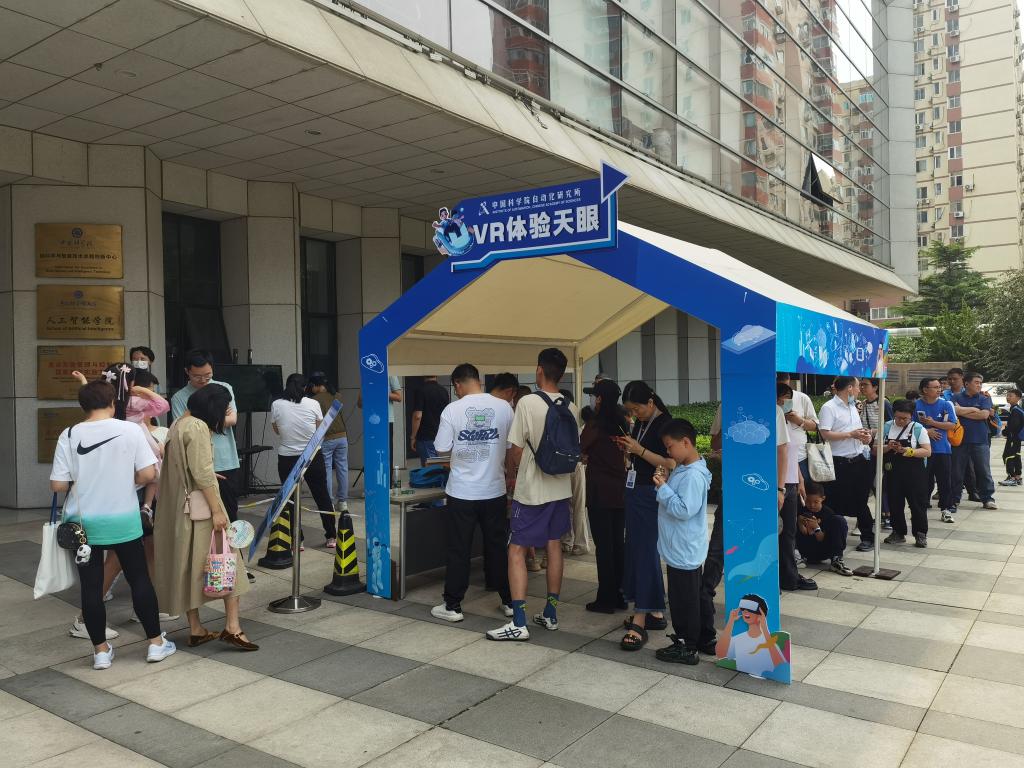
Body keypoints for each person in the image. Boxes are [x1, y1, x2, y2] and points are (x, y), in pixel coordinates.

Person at [50, 381, 175, 670]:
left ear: (83, 406)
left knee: (91, 587)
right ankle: (156, 644)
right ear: (112, 403)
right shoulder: (130, 430)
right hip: (123, 519)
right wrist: (124, 480)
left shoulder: (69, 434)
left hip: (83, 524)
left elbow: (58, 485)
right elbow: (148, 474)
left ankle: (101, 652)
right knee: (139, 579)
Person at [154, 383, 257, 651]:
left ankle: (196, 628)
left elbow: (183, 467)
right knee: (227, 561)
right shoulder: (199, 427)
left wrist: (206, 475)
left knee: (189, 567)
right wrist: (217, 510)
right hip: (202, 509)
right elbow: (201, 472)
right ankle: (232, 627)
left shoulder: (178, 424)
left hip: (179, 509)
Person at [486, 348, 580, 642]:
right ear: (561, 374)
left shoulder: (527, 402)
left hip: (532, 492)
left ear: (539, 370)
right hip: (560, 489)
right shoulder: (571, 406)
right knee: (554, 547)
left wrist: (514, 473)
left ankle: (519, 621)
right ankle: (550, 613)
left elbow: (515, 449)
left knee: (516, 550)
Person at [430, 363, 514, 622]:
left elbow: (441, 448)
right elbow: (511, 447)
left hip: (462, 493)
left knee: (459, 549)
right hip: (494, 490)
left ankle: (453, 605)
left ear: (457, 384)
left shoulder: (452, 410)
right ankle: (509, 601)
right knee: (498, 547)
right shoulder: (504, 407)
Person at [615, 380, 675, 651]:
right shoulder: (642, 423)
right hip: (636, 491)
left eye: (637, 408)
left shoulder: (666, 424)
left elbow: (671, 462)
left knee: (644, 552)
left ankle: (641, 616)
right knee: (640, 551)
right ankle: (654, 611)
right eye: (630, 410)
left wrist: (639, 450)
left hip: (650, 494)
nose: (634, 414)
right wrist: (630, 452)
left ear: (650, 402)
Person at [652, 418, 711, 665]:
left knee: (683, 601)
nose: (668, 452)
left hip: (683, 550)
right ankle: (704, 638)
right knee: (692, 597)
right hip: (682, 548)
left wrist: (663, 488)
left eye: (670, 446)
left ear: (685, 442)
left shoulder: (693, 475)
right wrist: (667, 482)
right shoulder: (687, 468)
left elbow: (684, 509)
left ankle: (688, 645)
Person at [170, 350, 241, 525]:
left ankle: (229, 544)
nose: (203, 380)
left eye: (208, 375)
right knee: (201, 516)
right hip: (197, 463)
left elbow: (232, 419)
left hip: (226, 461)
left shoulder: (223, 388)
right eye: (197, 376)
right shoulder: (179, 397)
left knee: (230, 514)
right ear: (187, 371)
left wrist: (198, 419)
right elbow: (183, 429)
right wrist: (217, 418)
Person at [271, 374, 338, 547]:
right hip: (312, 456)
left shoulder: (276, 404)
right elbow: (319, 430)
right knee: (322, 495)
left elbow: (277, 430)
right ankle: (331, 536)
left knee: (290, 499)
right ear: (305, 387)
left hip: (287, 457)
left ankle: (297, 540)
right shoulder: (313, 403)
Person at [580, 379, 628, 613]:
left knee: (604, 546)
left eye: (594, 395)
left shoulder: (595, 424)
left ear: (599, 398)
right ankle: (620, 595)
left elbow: (582, 446)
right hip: (620, 491)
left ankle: (606, 599)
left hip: (600, 491)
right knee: (618, 544)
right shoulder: (623, 422)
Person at [818, 377, 875, 552]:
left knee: (861, 500)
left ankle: (868, 536)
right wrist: (851, 435)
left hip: (858, 459)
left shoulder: (853, 406)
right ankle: (832, 536)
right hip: (838, 462)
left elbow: (856, 431)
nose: (859, 390)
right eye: (858, 387)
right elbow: (825, 434)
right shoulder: (829, 407)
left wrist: (865, 436)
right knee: (833, 501)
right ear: (849, 388)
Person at [778, 382, 817, 590]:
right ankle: (783, 576)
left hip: (792, 481)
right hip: (779, 485)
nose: (786, 404)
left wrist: (800, 479)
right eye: (783, 399)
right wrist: (780, 488)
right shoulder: (772, 419)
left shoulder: (789, 422)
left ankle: (789, 576)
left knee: (789, 532)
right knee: (778, 532)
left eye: (788, 399)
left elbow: (791, 456)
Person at [882, 399, 933, 547]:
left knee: (917, 504)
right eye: (898, 417)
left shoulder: (918, 428)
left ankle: (920, 533)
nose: (901, 421)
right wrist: (888, 447)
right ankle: (898, 532)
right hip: (892, 472)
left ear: (911, 416)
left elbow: (927, 451)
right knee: (895, 503)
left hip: (915, 474)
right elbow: (875, 449)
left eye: (905, 418)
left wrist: (909, 451)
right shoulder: (886, 427)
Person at [914, 378, 959, 522]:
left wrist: (933, 423)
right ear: (925, 390)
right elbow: (910, 424)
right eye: (935, 387)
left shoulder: (946, 404)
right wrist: (926, 431)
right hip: (922, 451)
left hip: (942, 450)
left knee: (944, 481)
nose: (939, 389)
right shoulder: (916, 405)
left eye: (939, 387)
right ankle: (921, 508)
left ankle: (946, 509)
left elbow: (952, 424)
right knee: (923, 481)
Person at [952, 373, 997, 510]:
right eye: (976, 382)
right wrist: (973, 410)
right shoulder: (956, 397)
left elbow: (984, 414)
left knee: (983, 470)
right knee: (956, 471)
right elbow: (954, 411)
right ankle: (954, 498)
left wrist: (962, 411)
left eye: (980, 383)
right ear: (966, 383)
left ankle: (987, 498)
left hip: (980, 440)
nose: (979, 385)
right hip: (959, 440)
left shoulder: (984, 398)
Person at [716, 593, 784, 679]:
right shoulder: (738, 640)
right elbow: (720, 654)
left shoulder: (769, 641)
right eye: (743, 609)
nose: (745, 612)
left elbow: (781, 667)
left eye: (750, 609)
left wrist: (765, 628)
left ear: (761, 614)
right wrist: (731, 621)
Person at [308, 372, 349, 513]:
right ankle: (343, 502)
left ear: (316, 385)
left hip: (327, 438)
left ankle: (329, 502)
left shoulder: (314, 400)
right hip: (342, 437)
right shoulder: (338, 396)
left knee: (327, 470)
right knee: (342, 468)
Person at [559, 389, 591, 556]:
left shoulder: (558, 413)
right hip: (576, 463)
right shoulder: (577, 414)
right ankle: (578, 543)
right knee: (577, 505)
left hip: (566, 464)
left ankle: (570, 541)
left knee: (568, 505)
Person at [796, 482, 853, 574]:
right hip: (804, 548)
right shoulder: (801, 510)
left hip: (822, 548)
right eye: (808, 501)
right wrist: (800, 523)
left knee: (839, 520)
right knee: (791, 519)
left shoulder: (828, 513)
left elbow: (821, 538)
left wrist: (816, 527)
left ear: (823, 499)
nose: (812, 505)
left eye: (816, 502)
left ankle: (836, 558)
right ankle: (796, 556)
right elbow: (803, 532)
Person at [778, 373, 817, 479]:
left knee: (801, 487)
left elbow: (815, 426)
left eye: (785, 386)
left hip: (800, 457)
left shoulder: (802, 398)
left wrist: (799, 420)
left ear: (789, 379)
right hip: (776, 457)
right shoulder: (766, 398)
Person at [409, 375, 450, 466]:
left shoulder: (421, 391)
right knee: (441, 467)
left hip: (426, 436)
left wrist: (413, 437)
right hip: (442, 436)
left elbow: (417, 416)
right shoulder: (444, 391)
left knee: (430, 469)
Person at [1001, 388, 1023, 486]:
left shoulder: (1015, 410)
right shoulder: (1018, 409)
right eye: (1007, 395)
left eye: (1010, 396)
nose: (1008, 397)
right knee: (1016, 456)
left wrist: (1005, 431)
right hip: (1017, 438)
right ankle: (1018, 477)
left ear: (1018, 398)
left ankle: (1012, 478)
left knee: (1008, 456)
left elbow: (1014, 426)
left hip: (1013, 438)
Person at [388, 374, 403, 471]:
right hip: (370, 421)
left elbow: (399, 397)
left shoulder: (390, 373)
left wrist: (379, 390)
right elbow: (360, 403)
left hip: (386, 419)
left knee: (387, 453)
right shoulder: (367, 373)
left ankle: (388, 478)